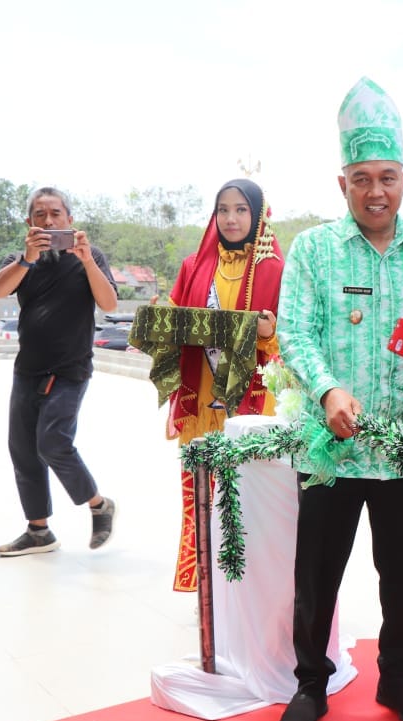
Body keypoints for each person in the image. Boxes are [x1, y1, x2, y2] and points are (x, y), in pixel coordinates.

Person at [277, 77, 403, 721]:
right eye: (361, 179)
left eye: (387, 178)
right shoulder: (315, 250)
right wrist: (326, 390)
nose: (375, 192)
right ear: (341, 182)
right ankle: (309, 686)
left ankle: (397, 678)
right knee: (316, 578)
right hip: (331, 450)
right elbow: (295, 329)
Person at [158, 179, 283, 592]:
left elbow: (294, 343)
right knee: (200, 500)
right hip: (199, 406)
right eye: (223, 209)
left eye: (241, 209)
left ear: (259, 215)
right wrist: (161, 327)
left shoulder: (275, 271)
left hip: (252, 410)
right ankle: (207, 589)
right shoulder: (193, 267)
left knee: (247, 503)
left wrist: (267, 333)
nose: (230, 218)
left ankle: (248, 592)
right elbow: (172, 333)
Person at [0, 187, 118, 556]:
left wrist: (87, 260)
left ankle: (98, 504)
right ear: (30, 223)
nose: (49, 221)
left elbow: (108, 303)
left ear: (70, 219)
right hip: (27, 368)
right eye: (40, 215)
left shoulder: (90, 257)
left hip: (70, 369)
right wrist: (28, 259)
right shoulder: (21, 260)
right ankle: (38, 531)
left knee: (53, 442)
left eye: (56, 214)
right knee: (24, 451)